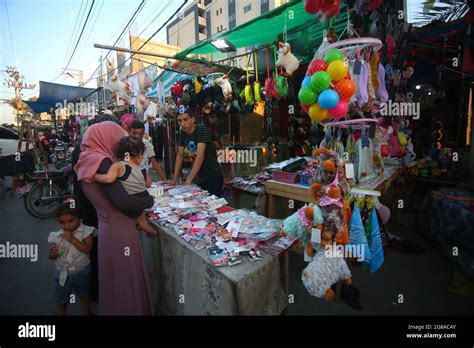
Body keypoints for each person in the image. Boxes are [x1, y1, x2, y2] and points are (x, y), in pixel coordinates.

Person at [74, 121, 154, 315]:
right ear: (106, 138)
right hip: (120, 230)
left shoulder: (86, 159)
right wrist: (149, 201)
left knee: (115, 278)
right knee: (126, 278)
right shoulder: (102, 162)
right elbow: (124, 202)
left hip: (107, 227)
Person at [90, 136, 157, 236]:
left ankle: (150, 230)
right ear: (138, 155)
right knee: (141, 219)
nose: (143, 157)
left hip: (131, 201)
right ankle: (152, 231)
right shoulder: (143, 169)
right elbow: (148, 184)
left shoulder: (119, 166)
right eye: (142, 155)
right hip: (143, 198)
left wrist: (95, 177)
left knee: (138, 220)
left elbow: (109, 179)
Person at [48, 200, 96, 316]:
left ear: (79, 218)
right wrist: (53, 253)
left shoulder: (87, 232)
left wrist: (72, 239)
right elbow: (52, 256)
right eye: (62, 222)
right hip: (62, 274)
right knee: (62, 301)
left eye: (70, 221)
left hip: (81, 272)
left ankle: (86, 311)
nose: (66, 225)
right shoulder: (57, 235)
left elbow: (87, 249)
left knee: (84, 294)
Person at [172, 111, 224, 197]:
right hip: (200, 177)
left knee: (213, 205)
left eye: (185, 120)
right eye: (179, 121)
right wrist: (174, 179)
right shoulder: (182, 133)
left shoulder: (201, 129)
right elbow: (179, 156)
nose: (182, 124)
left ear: (192, 119)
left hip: (213, 176)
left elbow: (200, 157)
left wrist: (188, 180)